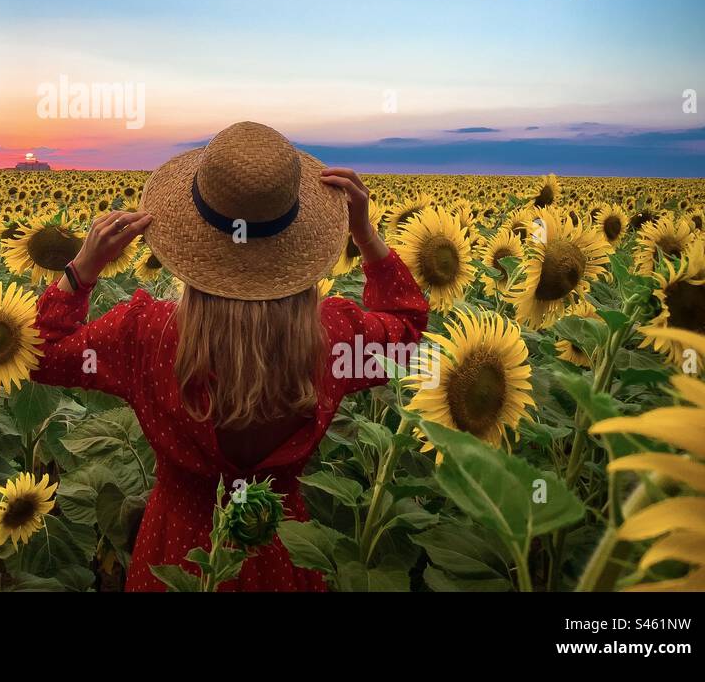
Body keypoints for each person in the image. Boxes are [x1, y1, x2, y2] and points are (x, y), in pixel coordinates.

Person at [31, 121, 429, 591]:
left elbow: (42, 354)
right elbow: (406, 331)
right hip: (283, 549)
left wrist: (80, 271)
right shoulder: (335, 336)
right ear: (301, 244)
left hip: (176, 556)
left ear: (192, 240)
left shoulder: (147, 334)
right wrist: (366, 237)